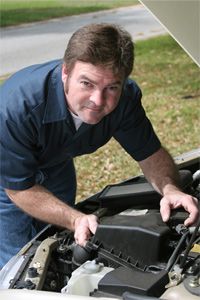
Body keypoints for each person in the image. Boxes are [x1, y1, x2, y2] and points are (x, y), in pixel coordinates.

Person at [0, 23, 198, 269]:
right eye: (86, 84)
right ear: (65, 72)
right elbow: (19, 188)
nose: (98, 100)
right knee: (15, 263)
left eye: (111, 87)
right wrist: (75, 219)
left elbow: (150, 154)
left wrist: (171, 190)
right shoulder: (15, 108)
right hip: (7, 175)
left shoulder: (125, 99)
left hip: (56, 162)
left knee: (52, 241)